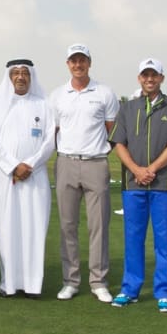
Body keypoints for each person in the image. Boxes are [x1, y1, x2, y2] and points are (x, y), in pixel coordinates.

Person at [109, 58, 167, 311]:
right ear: (139, 78)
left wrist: (152, 169)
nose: (150, 79)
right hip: (133, 185)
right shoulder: (127, 108)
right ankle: (129, 289)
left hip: (163, 185)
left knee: (164, 241)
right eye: (145, 75)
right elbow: (118, 143)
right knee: (133, 239)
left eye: (154, 75)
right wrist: (136, 170)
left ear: (161, 78)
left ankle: (164, 291)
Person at [0, 59, 55, 298]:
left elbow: (50, 140)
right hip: (6, 178)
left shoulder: (44, 104)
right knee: (7, 228)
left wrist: (29, 165)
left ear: (31, 77)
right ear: (9, 77)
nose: (20, 77)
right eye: (16, 73)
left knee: (34, 229)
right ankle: (7, 284)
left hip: (35, 176)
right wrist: (12, 166)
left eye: (24, 73)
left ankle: (33, 285)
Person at [49, 43, 120, 303]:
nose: (78, 65)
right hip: (66, 163)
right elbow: (53, 131)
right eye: (73, 60)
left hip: (96, 163)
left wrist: (100, 152)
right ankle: (71, 281)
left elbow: (113, 131)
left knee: (98, 225)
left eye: (82, 60)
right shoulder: (57, 95)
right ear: (68, 64)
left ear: (89, 62)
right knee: (67, 225)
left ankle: (98, 281)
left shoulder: (104, 93)